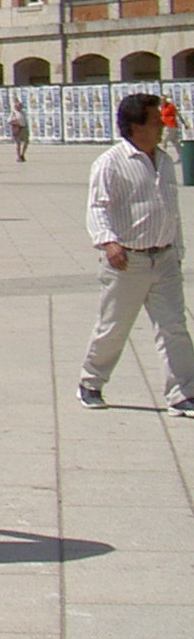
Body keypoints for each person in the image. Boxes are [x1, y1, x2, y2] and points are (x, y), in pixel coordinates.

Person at [76, 92, 194, 414]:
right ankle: (91, 382)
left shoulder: (165, 161)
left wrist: (178, 249)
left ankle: (182, 393)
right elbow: (97, 208)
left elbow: (171, 211)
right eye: (156, 121)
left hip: (165, 259)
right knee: (113, 327)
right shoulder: (110, 163)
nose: (161, 126)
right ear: (135, 126)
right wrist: (108, 243)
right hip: (128, 261)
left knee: (174, 328)